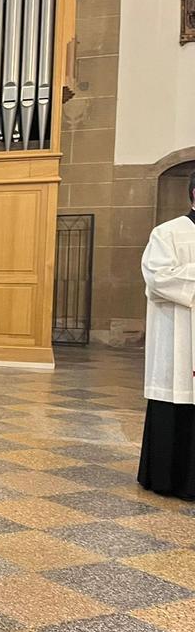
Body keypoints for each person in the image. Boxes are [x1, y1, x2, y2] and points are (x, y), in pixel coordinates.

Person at [140, 170, 195, 501]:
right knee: (177, 399)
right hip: (180, 339)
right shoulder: (168, 233)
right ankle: (169, 479)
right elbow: (158, 278)